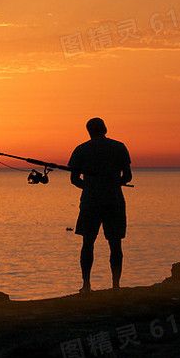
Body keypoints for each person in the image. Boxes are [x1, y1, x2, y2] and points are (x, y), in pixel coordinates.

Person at [68, 117, 132, 293]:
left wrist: (89, 187)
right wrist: (113, 182)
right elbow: (127, 176)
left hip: (90, 202)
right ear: (105, 129)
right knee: (115, 243)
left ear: (88, 131)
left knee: (88, 242)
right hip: (114, 200)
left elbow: (74, 179)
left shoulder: (81, 150)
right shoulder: (119, 147)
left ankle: (86, 285)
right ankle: (116, 286)